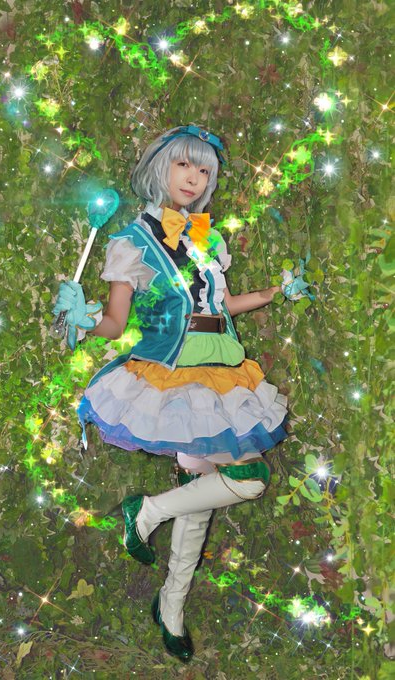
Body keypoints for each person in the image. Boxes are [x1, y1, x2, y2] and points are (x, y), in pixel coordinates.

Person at [53, 125, 307, 662]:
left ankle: (171, 603)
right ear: (161, 168)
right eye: (184, 165)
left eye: (204, 170)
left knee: (200, 497)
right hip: (172, 369)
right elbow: (115, 323)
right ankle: (145, 513)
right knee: (250, 479)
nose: (194, 178)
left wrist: (275, 292)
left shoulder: (206, 238)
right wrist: (83, 319)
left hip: (222, 367)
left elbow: (223, 304)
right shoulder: (132, 241)